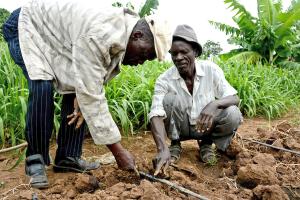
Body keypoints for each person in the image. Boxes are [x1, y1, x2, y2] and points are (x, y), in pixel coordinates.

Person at [2, 0, 171, 188]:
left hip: (56, 37)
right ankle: (36, 161)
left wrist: (83, 96)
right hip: (27, 25)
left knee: (77, 91)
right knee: (42, 85)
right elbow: (92, 97)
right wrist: (118, 152)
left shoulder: (122, 32)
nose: (141, 62)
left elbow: (89, 85)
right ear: (137, 35)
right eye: (145, 54)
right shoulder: (99, 34)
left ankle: (67, 157)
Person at [149, 24, 243, 175]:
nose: (178, 57)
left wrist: (215, 104)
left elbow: (234, 98)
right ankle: (174, 144)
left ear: (195, 52)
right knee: (168, 100)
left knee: (233, 113)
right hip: (181, 127)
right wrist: (162, 148)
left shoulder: (210, 70)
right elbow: (155, 113)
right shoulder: (164, 79)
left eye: (184, 52)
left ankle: (207, 144)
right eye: (174, 54)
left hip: (205, 126)